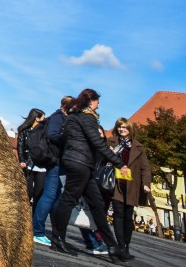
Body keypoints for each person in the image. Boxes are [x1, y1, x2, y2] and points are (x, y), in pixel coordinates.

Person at [50, 88, 127, 261]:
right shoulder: (88, 119)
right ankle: (57, 239)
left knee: (97, 204)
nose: (98, 105)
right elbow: (98, 143)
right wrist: (119, 163)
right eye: (97, 102)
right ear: (90, 101)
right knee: (69, 199)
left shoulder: (72, 117)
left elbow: (64, 139)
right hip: (80, 163)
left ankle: (113, 247)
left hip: (78, 162)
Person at [30, 95, 72, 246]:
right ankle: (38, 231)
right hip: (54, 160)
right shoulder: (58, 117)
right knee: (49, 195)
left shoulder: (60, 117)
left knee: (55, 195)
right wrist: (67, 140)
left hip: (57, 160)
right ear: (67, 107)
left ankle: (53, 230)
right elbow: (52, 135)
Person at [110, 117, 152, 261]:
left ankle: (126, 245)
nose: (122, 129)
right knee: (118, 214)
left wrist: (146, 184)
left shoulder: (138, 147)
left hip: (131, 186)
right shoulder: (111, 142)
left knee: (128, 218)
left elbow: (145, 168)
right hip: (116, 184)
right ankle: (120, 246)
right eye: (120, 127)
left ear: (130, 130)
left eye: (125, 128)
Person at [16, 108, 48, 213]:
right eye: (43, 117)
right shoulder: (24, 130)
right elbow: (20, 146)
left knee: (38, 193)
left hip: (41, 166)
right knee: (27, 192)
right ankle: (23, 215)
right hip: (28, 165)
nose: (45, 119)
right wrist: (22, 160)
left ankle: (34, 218)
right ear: (37, 118)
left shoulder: (44, 130)